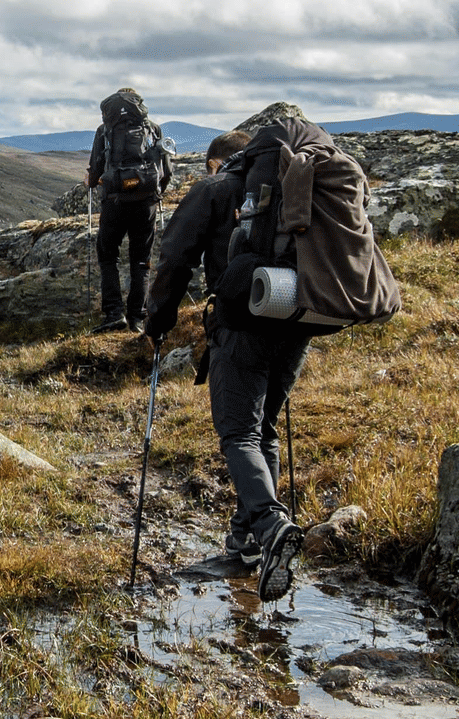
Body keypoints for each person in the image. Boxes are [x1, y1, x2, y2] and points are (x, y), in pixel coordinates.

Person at [140, 125, 306, 602]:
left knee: (240, 433)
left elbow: (174, 258)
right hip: (296, 319)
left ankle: (271, 528)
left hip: (243, 324)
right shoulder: (296, 186)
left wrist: (157, 322)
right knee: (264, 429)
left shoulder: (215, 188)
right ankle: (248, 545)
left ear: (219, 161)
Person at [84, 88, 174, 332]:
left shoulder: (104, 131)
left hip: (114, 202)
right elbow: (166, 170)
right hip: (146, 203)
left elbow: (95, 170)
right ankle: (137, 318)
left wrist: (91, 182)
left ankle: (113, 314)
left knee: (108, 255)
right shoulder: (153, 128)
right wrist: (157, 194)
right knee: (141, 260)